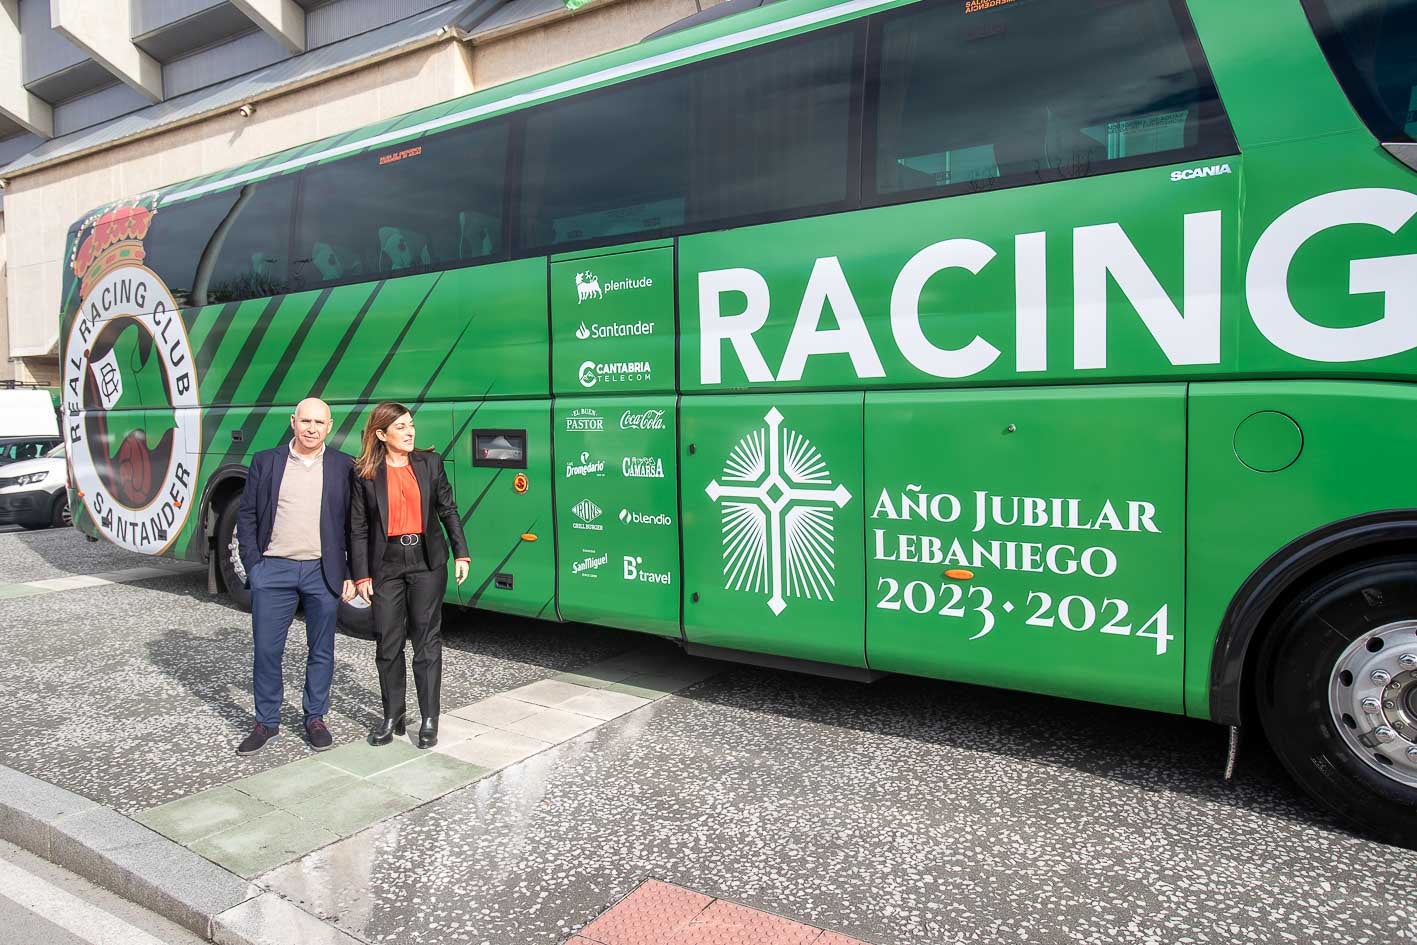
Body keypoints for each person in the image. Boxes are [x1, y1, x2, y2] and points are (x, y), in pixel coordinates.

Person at [235, 397, 356, 755]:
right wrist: (255, 566)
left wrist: (350, 572)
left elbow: (352, 524)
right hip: (274, 570)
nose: (312, 429)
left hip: (323, 570)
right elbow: (247, 516)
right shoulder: (266, 461)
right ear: (293, 421)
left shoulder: (342, 466)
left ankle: (315, 718)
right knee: (267, 650)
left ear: (329, 426)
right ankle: (266, 722)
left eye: (320, 423)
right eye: (306, 421)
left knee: (321, 649)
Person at [350, 402, 470, 749]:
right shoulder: (365, 473)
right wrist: (361, 576)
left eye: (410, 425)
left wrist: (461, 551)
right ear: (380, 434)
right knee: (388, 642)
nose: (409, 432)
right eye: (400, 427)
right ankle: (393, 716)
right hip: (385, 563)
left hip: (426, 559)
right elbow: (357, 528)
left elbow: (447, 509)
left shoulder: (430, 463)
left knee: (426, 640)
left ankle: (430, 719)